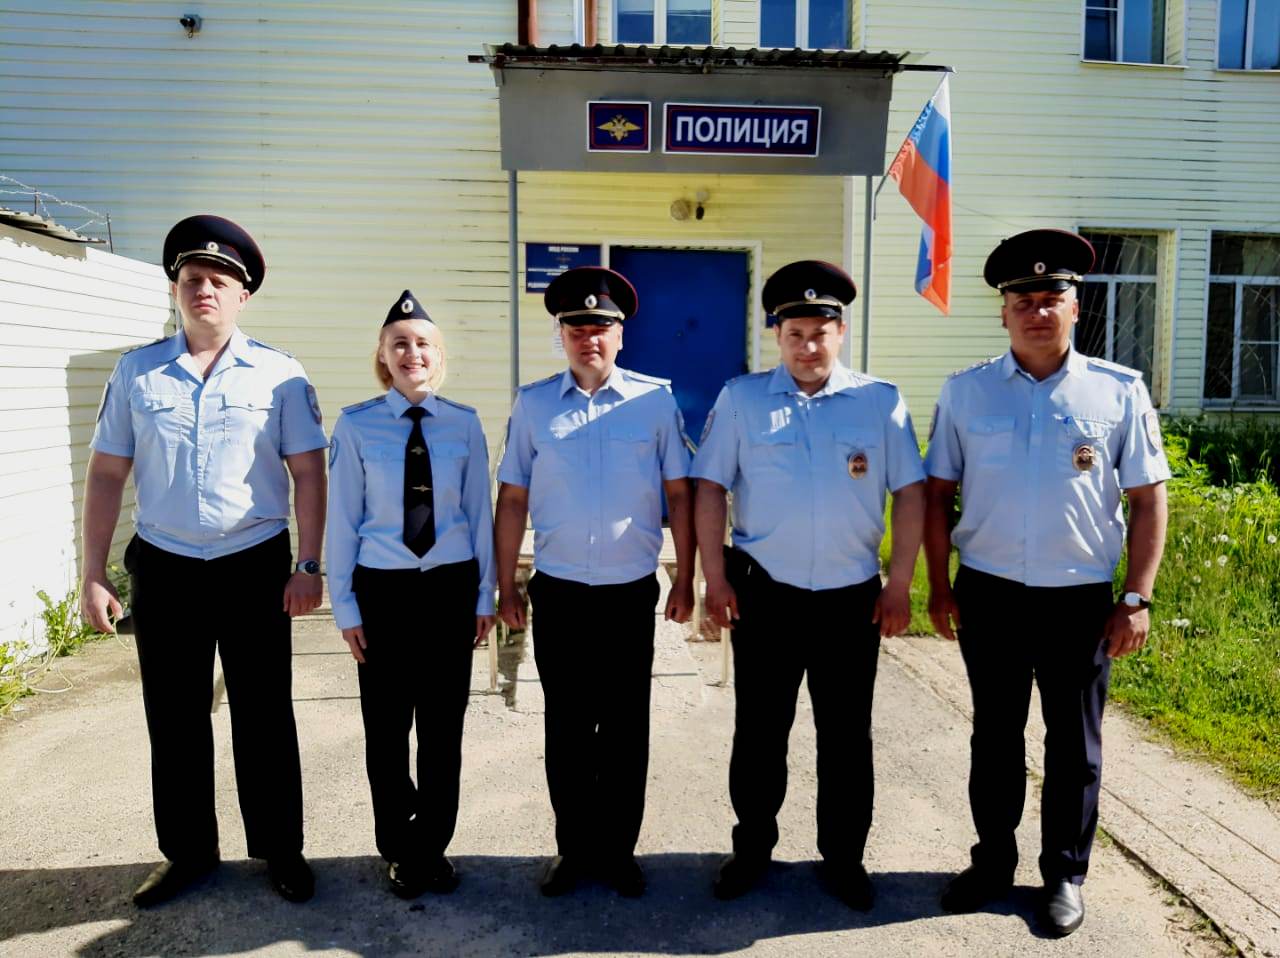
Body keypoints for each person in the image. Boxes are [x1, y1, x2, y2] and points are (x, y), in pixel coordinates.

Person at [923, 229, 1169, 937]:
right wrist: (938, 588)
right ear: (1004, 313)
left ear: (1075, 306)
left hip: (1080, 600)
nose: (1037, 310)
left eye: (1051, 297)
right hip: (991, 593)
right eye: (1023, 300)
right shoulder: (967, 392)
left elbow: (1149, 499)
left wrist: (1136, 596)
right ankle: (992, 863)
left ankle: (1063, 873)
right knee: (994, 738)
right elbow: (938, 493)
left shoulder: (1117, 392)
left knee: (1074, 746)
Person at [80, 214, 328, 906]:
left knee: (264, 715)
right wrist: (93, 573)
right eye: (193, 279)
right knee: (175, 718)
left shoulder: (280, 372)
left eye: (220, 280)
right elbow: (106, 475)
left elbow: (309, 474)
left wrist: (307, 566)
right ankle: (189, 854)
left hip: (253, 563)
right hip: (164, 565)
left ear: (243, 295)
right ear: (174, 288)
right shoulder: (136, 372)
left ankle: (281, 850)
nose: (206, 290)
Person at [693, 260, 926, 910]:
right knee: (761, 733)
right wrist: (714, 578)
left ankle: (844, 858)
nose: (807, 346)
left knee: (847, 736)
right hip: (765, 593)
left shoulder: (879, 402)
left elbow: (909, 493)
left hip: (852, 600)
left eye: (819, 332)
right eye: (794, 332)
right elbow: (710, 487)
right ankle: (752, 849)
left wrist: (900, 581)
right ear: (777, 333)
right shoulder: (741, 400)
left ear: (841, 331)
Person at [494, 266, 695, 898]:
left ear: (621, 335)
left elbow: (680, 495)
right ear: (561, 334)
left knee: (626, 726)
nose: (590, 337)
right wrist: (507, 585)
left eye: (602, 326)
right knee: (569, 729)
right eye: (577, 326)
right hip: (558, 592)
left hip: (629, 592)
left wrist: (685, 576)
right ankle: (573, 849)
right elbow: (512, 499)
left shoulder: (655, 401)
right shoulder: (532, 405)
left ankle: (618, 850)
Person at [326, 290, 496, 899]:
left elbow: (481, 514)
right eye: (400, 343)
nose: (411, 352)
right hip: (384, 594)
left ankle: (433, 847)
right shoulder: (356, 424)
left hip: (449, 590)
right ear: (382, 355)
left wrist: (486, 596)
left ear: (438, 355)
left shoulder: (464, 423)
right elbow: (341, 521)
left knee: (444, 728)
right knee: (387, 728)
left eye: (423, 342)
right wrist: (343, 605)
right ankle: (398, 847)